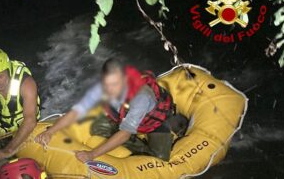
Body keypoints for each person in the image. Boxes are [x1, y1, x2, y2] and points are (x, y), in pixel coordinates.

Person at [35, 58, 187, 162]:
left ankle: (171, 131)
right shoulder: (103, 88)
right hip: (124, 116)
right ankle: (137, 141)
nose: (109, 90)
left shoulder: (141, 96)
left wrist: (91, 154)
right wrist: (50, 131)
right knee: (97, 127)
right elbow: (76, 112)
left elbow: (124, 134)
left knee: (159, 159)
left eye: (115, 84)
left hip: (153, 123)